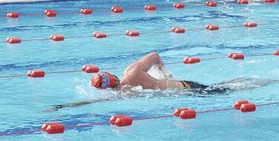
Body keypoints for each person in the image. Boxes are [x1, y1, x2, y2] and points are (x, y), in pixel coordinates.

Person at [89, 52, 221, 91]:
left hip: (180, 93)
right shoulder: (131, 72)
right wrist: (163, 72)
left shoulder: (120, 94)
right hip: (183, 87)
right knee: (220, 89)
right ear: (111, 75)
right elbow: (154, 56)